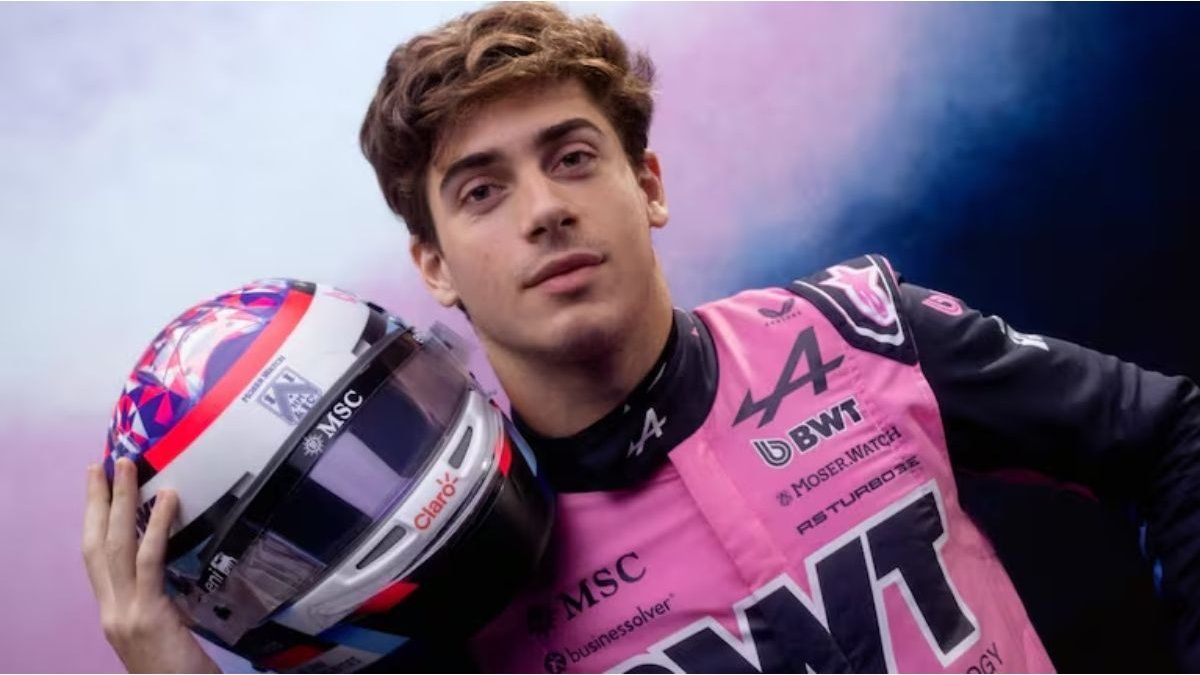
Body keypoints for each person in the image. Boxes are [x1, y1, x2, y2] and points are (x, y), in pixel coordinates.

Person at [84, 2, 1200, 672]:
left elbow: (1173, 435)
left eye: (573, 158)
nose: (544, 210)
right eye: (481, 191)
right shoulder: (433, 578)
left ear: (648, 184)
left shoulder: (857, 330)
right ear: (434, 267)